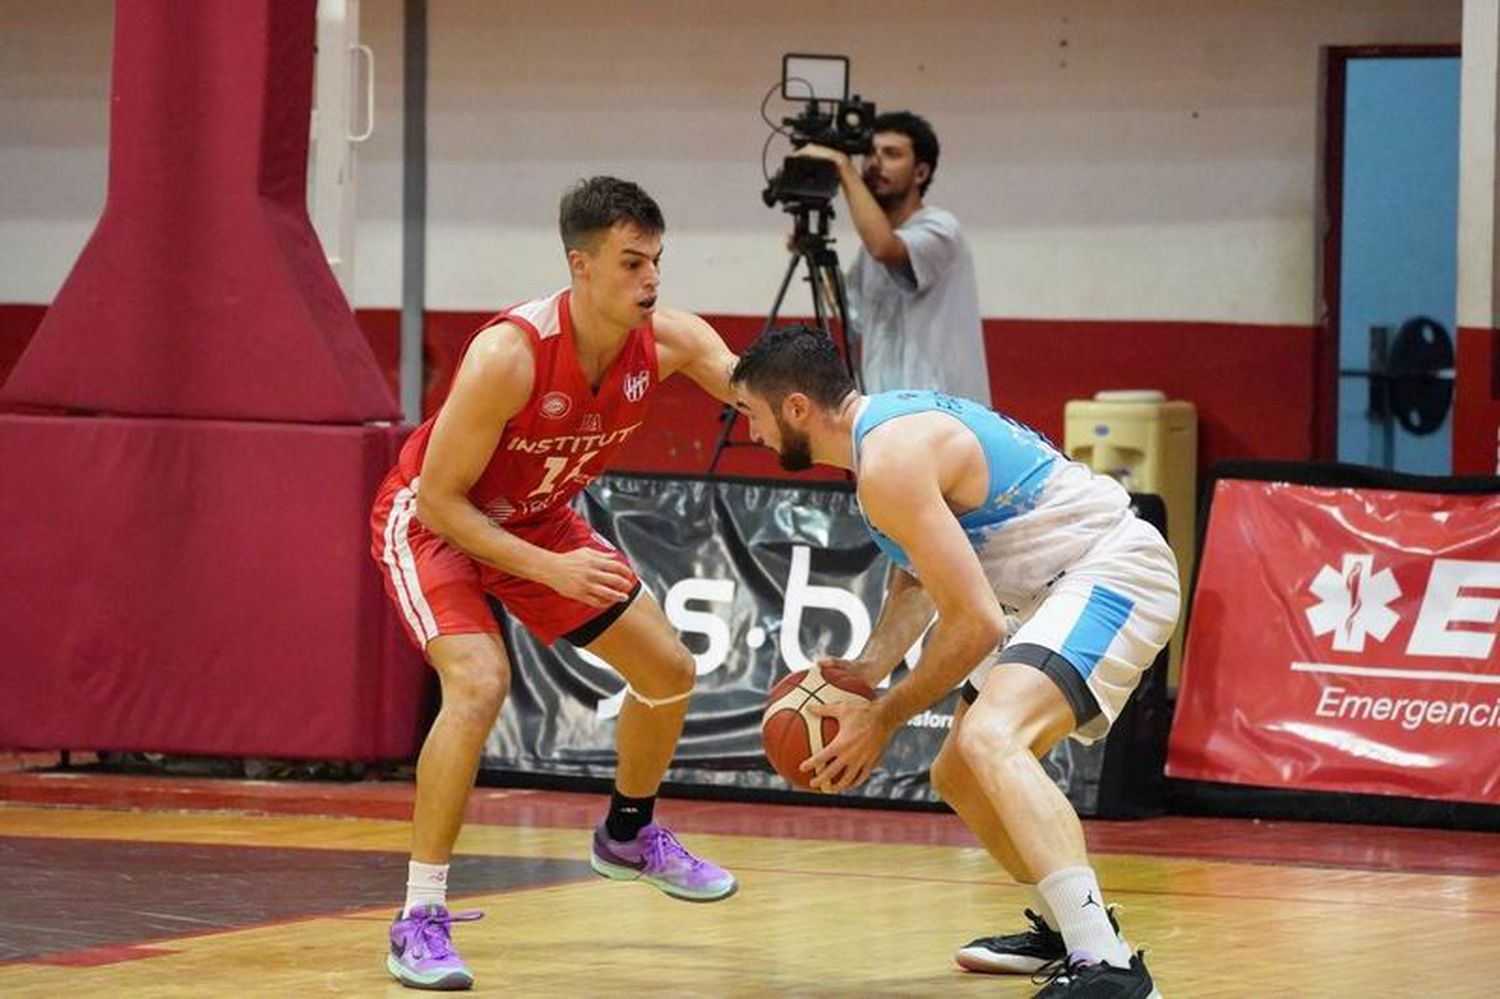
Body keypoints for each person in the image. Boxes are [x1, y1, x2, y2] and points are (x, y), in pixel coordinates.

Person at [370, 176, 740, 991]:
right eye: (630, 263)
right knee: (478, 683)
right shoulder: (509, 354)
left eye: (656, 262)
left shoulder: (669, 341)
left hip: (536, 520)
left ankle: (627, 834)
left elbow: (756, 390)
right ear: (580, 264)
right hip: (438, 519)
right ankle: (419, 916)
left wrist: (865, 435)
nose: (650, 281)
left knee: (669, 670)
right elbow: (438, 497)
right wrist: (549, 568)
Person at [729, 326, 1177, 998]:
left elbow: (975, 623)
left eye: (751, 415)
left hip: (1111, 570)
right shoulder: (883, 435)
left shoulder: (888, 461)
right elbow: (917, 574)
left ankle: (1106, 964)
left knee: (995, 736)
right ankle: (1071, 924)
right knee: (959, 771)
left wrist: (882, 717)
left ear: (795, 407)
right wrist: (872, 665)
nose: (753, 434)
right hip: (1053, 586)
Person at [794, 111, 989, 406]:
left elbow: (886, 248)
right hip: (887, 411)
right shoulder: (871, 250)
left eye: (891, 154)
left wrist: (842, 165)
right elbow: (849, 318)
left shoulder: (940, 228)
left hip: (943, 415)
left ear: (920, 172)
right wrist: (814, 253)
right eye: (870, 154)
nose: (875, 164)